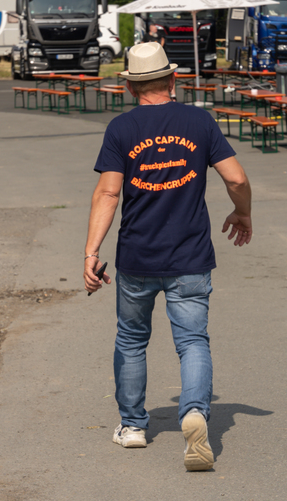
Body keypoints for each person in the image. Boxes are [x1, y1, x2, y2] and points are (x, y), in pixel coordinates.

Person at [83, 42, 252, 471]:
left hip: (137, 257)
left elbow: (108, 192)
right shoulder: (199, 121)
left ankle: (133, 426)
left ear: (131, 87)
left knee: (131, 339)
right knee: (192, 341)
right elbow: (236, 177)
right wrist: (243, 211)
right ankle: (195, 412)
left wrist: (91, 251)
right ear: (172, 80)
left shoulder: (121, 129)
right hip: (191, 256)